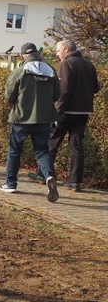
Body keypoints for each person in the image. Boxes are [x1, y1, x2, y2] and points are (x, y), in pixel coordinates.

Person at [0, 43, 60, 202]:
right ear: (38, 54)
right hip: (44, 119)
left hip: (21, 119)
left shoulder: (19, 71)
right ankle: (49, 176)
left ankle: (10, 183)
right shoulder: (51, 70)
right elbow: (56, 95)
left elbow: (9, 96)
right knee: (42, 151)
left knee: (14, 151)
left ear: (22, 56)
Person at [48, 39, 100, 192]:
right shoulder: (89, 65)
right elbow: (96, 88)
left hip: (66, 112)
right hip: (84, 111)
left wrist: (56, 112)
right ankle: (75, 181)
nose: (57, 54)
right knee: (76, 146)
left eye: (58, 51)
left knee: (52, 143)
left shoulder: (67, 64)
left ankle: (45, 174)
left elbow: (64, 91)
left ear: (65, 49)